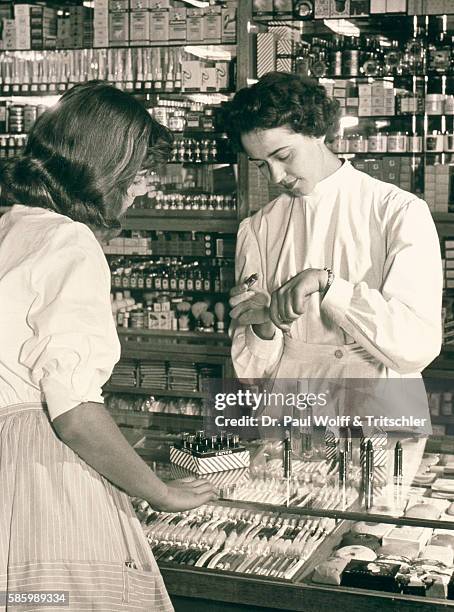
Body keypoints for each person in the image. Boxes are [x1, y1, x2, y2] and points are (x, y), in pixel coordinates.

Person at [0, 81, 216, 611]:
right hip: (43, 475)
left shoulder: (10, 226)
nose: (142, 189)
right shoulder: (69, 240)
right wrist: (159, 492)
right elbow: (73, 412)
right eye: (140, 173)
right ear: (102, 165)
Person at [225, 72, 443, 486]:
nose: (274, 177)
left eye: (283, 156)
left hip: (381, 404)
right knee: (289, 531)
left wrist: (329, 285)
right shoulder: (258, 228)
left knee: (371, 539)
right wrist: (264, 324)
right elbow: (253, 372)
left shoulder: (397, 212)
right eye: (261, 164)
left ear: (316, 131)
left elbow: (415, 346)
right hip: (292, 410)